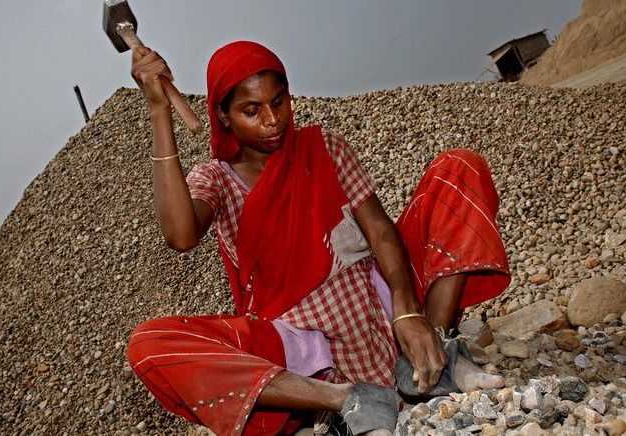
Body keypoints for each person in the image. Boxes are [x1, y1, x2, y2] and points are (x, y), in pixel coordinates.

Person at [126, 40, 510, 435]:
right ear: (223, 116)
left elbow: (380, 231)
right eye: (251, 111)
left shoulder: (322, 147)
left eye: (279, 101)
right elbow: (181, 235)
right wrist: (159, 111)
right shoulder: (216, 179)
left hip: (377, 305)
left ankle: (433, 352)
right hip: (302, 343)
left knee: (459, 168)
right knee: (148, 343)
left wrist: (407, 310)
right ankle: (345, 399)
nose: (273, 120)